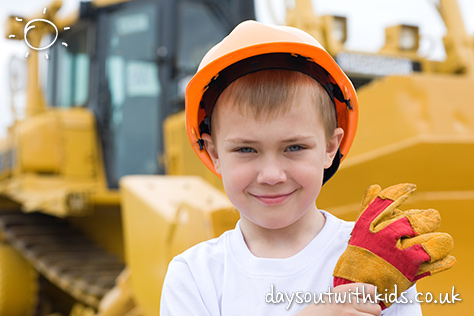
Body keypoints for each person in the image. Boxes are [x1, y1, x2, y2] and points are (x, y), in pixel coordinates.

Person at [160, 20, 422, 315]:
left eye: (294, 148)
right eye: (246, 149)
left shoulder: (377, 258)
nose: (271, 175)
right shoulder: (194, 277)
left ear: (329, 148)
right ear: (214, 153)